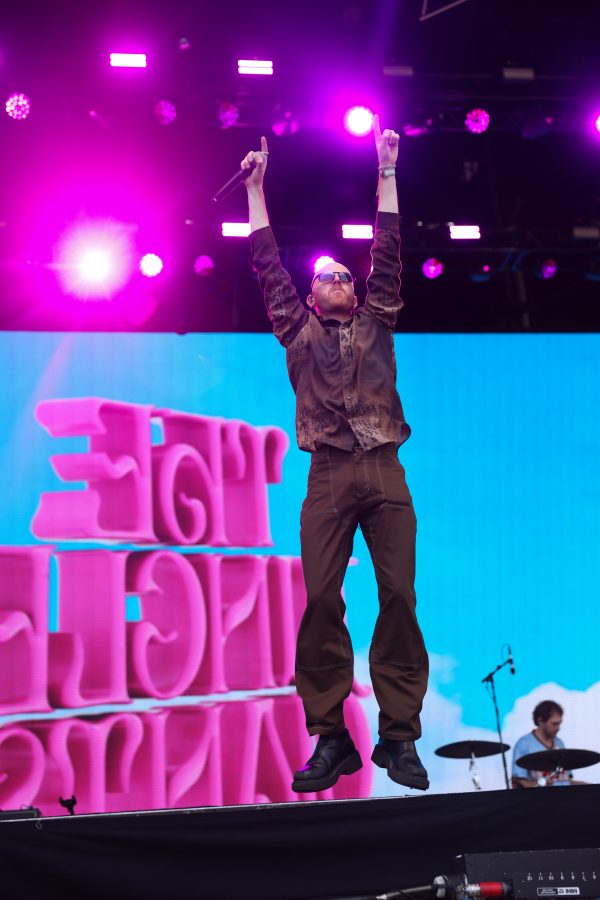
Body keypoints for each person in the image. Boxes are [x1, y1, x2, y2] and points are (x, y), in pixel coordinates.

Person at [243, 116, 429, 794]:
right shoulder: (297, 332)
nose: (338, 278)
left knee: (398, 594)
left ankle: (398, 737)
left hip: (384, 467)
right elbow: (267, 263)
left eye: (346, 274)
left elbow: (390, 247)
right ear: (312, 294)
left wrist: (387, 170)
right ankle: (331, 737)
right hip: (327, 473)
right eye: (325, 275)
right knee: (322, 597)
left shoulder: (378, 320)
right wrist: (255, 189)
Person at [511, 700, 572, 787]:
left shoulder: (560, 743)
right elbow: (518, 782)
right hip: (540, 794)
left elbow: (568, 777)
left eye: (560, 723)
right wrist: (542, 784)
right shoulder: (524, 744)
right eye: (554, 724)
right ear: (540, 720)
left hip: (566, 794)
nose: (558, 728)